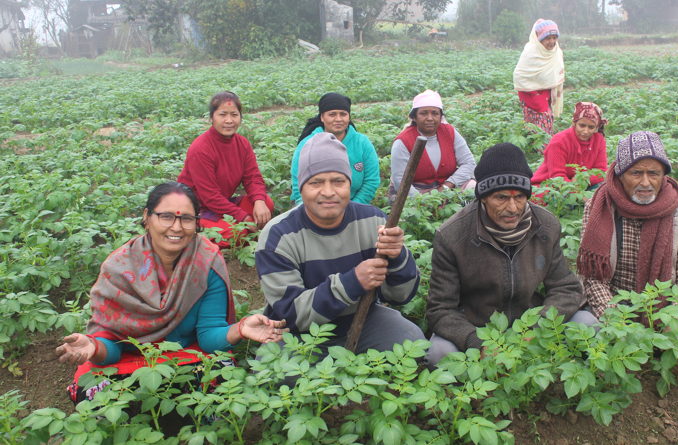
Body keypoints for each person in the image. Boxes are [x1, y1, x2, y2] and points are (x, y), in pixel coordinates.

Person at [56, 182, 287, 404]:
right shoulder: (118, 268)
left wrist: (241, 329)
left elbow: (208, 337)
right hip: (128, 358)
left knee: (221, 376)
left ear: (197, 223)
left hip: (184, 356)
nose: (176, 227)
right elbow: (113, 347)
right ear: (147, 217)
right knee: (90, 390)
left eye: (186, 219)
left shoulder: (205, 262)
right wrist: (93, 347)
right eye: (166, 216)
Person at [424, 143, 598, 368]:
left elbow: (566, 289)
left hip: (531, 323)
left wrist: (539, 327)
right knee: (439, 353)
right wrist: (476, 341)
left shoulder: (546, 226)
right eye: (501, 198)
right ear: (483, 197)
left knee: (588, 324)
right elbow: (440, 308)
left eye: (520, 197)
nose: (513, 208)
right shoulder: (452, 236)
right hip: (477, 325)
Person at [257, 133, 425, 360]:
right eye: (315, 182)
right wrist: (352, 283)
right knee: (277, 368)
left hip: (363, 320)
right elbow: (291, 315)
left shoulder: (373, 221)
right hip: (301, 336)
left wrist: (397, 257)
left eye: (338, 181)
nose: (328, 192)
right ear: (301, 187)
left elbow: (401, 296)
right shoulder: (278, 235)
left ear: (349, 184)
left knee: (413, 342)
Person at [577, 131, 678, 334]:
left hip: (665, 308)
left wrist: (677, 319)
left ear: (663, 175)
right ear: (621, 174)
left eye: (654, 173)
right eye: (636, 173)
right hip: (615, 305)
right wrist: (618, 322)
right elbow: (593, 279)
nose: (646, 182)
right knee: (583, 324)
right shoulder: (600, 207)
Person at [178, 91, 274, 249]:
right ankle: (193, 234)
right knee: (237, 233)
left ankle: (235, 229)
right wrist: (242, 216)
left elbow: (252, 178)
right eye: (222, 114)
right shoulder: (201, 148)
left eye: (234, 115)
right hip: (196, 209)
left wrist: (259, 201)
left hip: (221, 205)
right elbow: (210, 197)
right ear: (211, 117)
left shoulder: (242, 144)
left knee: (266, 204)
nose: (229, 120)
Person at [291, 93, 380, 206]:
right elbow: (297, 185)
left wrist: (352, 209)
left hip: (354, 205)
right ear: (322, 117)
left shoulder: (362, 143)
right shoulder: (307, 144)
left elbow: (371, 181)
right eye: (332, 114)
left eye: (343, 114)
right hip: (312, 207)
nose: (338, 119)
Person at [389, 90, 476, 203]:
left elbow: (469, 163)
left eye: (435, 113)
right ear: (414, 117)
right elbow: (400, 181)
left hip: (448, 187)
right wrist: (424, 202)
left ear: (441, 116)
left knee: (475, 191)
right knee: (410, 215)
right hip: (415, 191)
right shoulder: (403, 141)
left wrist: (447, 186)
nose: (430, 118)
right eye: (423, 113)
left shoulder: (449, 132)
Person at [530, 102, 609, 201]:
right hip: (549, 186)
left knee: (605, 192)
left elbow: (601, 171)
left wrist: (581, 179)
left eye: (591, 127)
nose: (586, 131)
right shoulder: (559, 141)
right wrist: (578, 195)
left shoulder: (599, 140)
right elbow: (557, 176)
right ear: (574, 123)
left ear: (596, 127)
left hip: (581, 186)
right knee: (561, 200)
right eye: (582, 125)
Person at [513, 19, 565, 137]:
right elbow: (520, 75)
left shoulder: (556, 51)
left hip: (547, 98)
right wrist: (535, 95)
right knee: (537, 133)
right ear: (540, 38)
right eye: (548, 38)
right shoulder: (531, 52)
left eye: (554, 37)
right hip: (532, 98)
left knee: (544, 131)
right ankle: (540, 154)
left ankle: (543, 154)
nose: (552, 41)